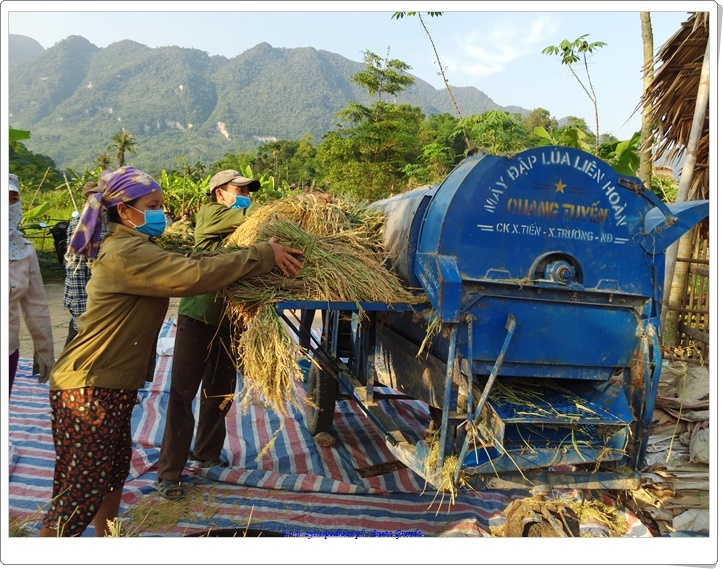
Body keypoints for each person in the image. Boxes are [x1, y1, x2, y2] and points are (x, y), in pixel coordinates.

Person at [39, 166, 303, 537]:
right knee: (78, 495)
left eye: (161, 205)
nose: (160, 213)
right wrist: (262, 255)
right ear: (123, 210)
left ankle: (107, 541)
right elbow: (193, 275)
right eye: (152, 206)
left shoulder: (134, 246)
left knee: (111, 475)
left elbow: (195, 264)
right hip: (89, 388)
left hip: (108, 385)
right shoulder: (126, 252)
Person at [156, 169, 262, 499]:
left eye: (248, 191)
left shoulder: (243, 225)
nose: (246, 196)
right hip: (199, 315)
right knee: (183, 393)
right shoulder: (211, 213)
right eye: (240, 190)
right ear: (220, 193)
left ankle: (207, 453)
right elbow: (254, 217)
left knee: (220, 391)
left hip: (231, 320)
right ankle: (169, 472)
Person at [8, 173, 55, 393]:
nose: (7, 205)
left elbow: (37, 305)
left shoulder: (23, 250)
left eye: (13, 199)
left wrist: (44, 349)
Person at [62, 175, 112, 346]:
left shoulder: (109, 223)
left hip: (102, 300)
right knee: (78, 343)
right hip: (85, 300)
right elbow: (76, 272)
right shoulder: (82, 225)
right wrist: (81, 314)